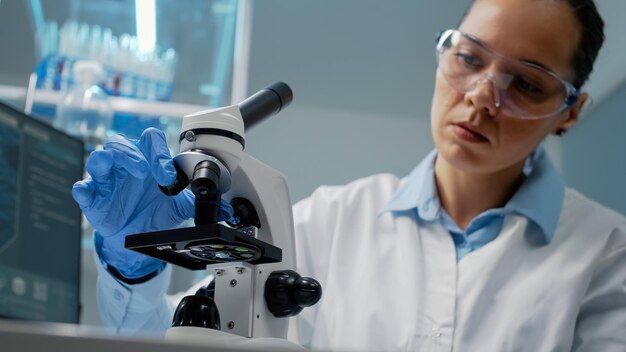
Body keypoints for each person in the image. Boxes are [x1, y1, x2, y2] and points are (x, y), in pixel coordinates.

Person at [73, 0, 626, 350]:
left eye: (526, 84)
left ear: (571, 112)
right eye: (470, 58)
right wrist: (135, 271)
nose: (482, 97)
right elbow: (162, 338)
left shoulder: (607, 257)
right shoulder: (329, 221)